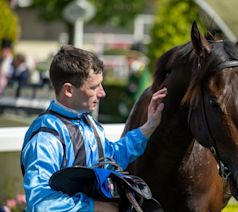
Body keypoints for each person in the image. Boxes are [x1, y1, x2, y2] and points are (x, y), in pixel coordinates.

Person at [20, 45, 167, 211]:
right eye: (94, 87)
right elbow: (40, 203)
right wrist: (96, 207)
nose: (102, 93)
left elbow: (113, 156)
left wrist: (149, 125)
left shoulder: (89, 124)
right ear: (68, 90)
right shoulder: (45, 138)